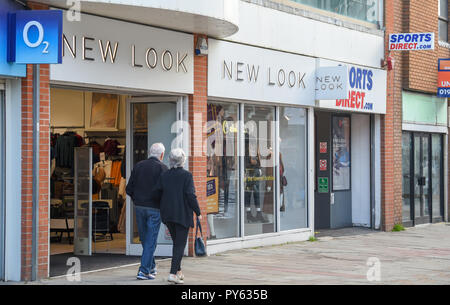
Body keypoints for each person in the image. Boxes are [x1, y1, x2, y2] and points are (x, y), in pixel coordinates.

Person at [151, 148, 202, 284]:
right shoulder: (187, 176)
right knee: (180, 244)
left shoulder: (165, 175)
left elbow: (156, 193)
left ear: (170, 160)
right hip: (182, 214)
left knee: (177, 243)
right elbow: (190, 195)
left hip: (167, 214)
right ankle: (173, 274)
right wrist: (198, 212)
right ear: (183, 160)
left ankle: (178, 271)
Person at [126, 143, 168, 280]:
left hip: (139, 207)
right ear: (161, 155)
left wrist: (136, 199)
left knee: (145, 239)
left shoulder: (139, 166)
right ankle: (144, 271)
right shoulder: (163, 168)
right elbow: (165, 191)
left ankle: (151, 266)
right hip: (155, 208)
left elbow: (129, 188)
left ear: (150, 152)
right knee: (150, 239)